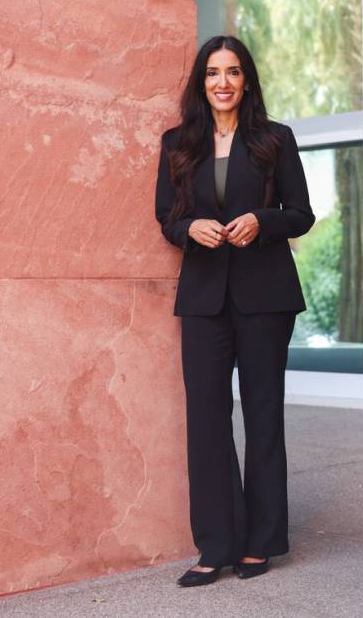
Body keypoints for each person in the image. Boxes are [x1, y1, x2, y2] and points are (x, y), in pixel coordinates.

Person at [153, 35, 314, 587]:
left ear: (247, 81)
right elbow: (165, 217)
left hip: (265, 297)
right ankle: (216, 545)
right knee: (206, 419)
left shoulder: (275, 139)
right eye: (213, 72)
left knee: (263, 415)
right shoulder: (178, 143)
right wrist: (188, 227)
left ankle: (262, 541)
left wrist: (262, 222)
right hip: (202, 298)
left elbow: (301, 213)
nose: (223, 82)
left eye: (234, 72)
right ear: (201, 82)